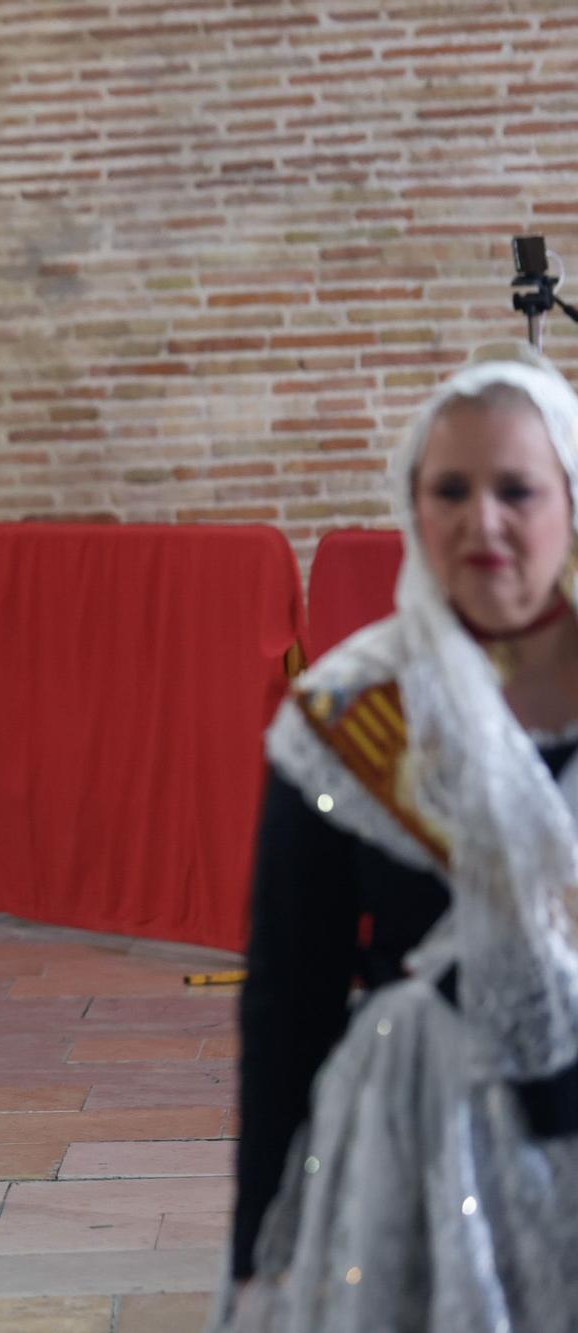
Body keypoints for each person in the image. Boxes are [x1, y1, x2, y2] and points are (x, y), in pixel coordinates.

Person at [220, 348, 578, 1329]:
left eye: (516, 489)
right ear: (411, 507)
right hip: (415, 1149)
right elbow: (288, 995)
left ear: (570, 501)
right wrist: (259, 1236)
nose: (481, 522)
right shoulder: (347, 713)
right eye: (447, 490)